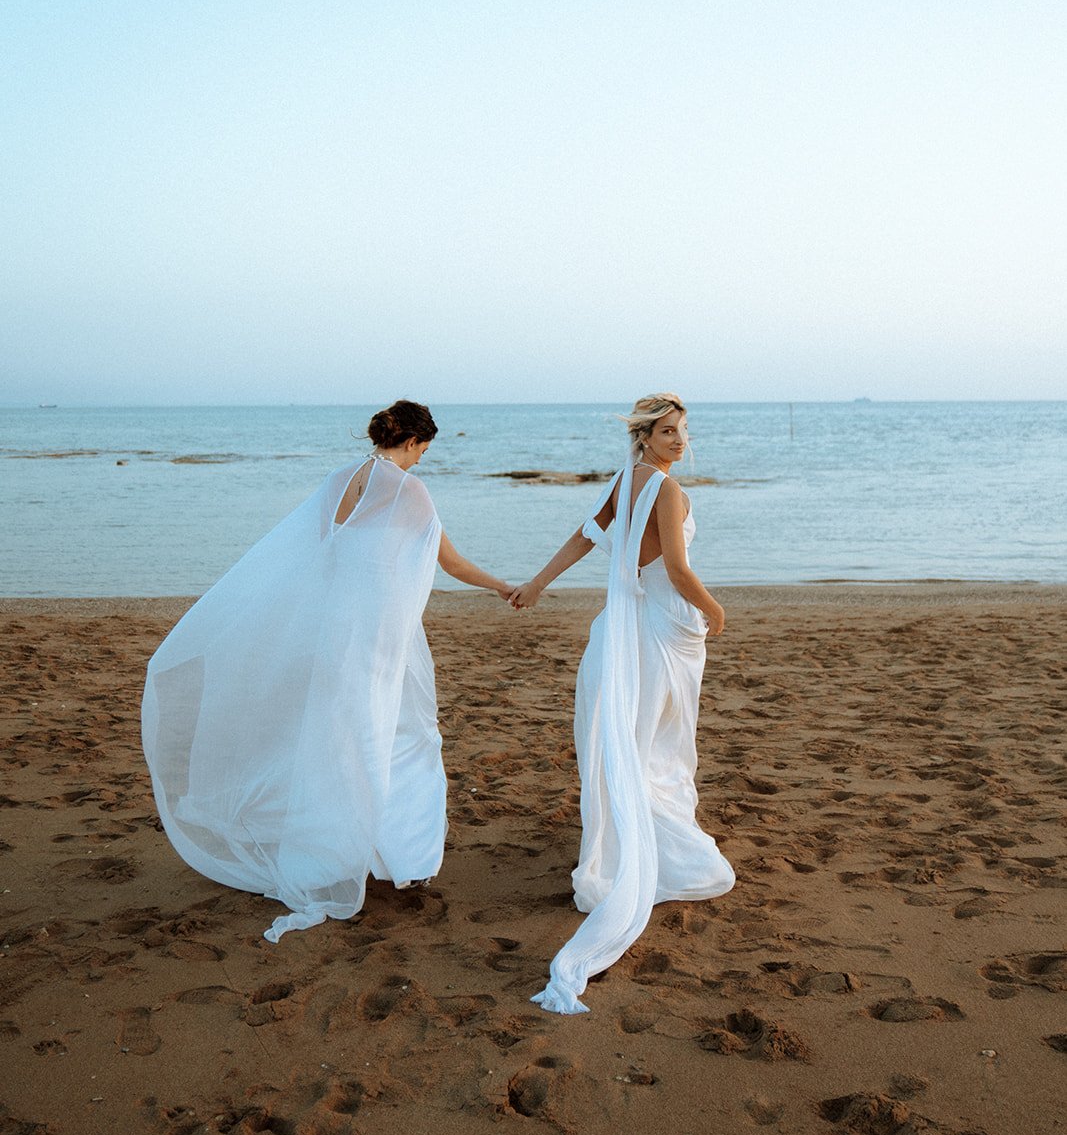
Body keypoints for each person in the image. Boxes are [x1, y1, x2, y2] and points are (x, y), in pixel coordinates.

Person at [142, 400, 512, 942]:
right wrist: (503, 586)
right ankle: (400, 858)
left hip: (336, 632)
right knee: (401, 734)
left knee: (337, 736)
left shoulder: (340, 480)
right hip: (380, 635)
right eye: (424, 452)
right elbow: (448, 561)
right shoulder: (409, 491)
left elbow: (322, 555)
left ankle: (333, 854)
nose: (421, 462)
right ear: (412, 442)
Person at [509, 392, 735, 1013]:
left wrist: (537, 583)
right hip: (663, 627)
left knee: (634, 738)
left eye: (683, 430)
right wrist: (716, 610)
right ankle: (657, 852)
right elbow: (680, 570)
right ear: (643, 437)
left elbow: (585, 537)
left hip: (622, 627)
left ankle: (617, 847)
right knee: (659, 740)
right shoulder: (663, 489)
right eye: (667, 432)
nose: (679, 440)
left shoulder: (623, 481)